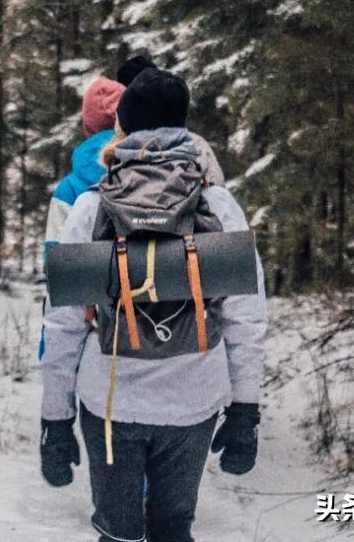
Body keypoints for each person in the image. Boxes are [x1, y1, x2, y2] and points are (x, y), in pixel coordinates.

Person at [39, 68, 267, 542]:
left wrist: (54, 420)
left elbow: (63, 326)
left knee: (118, 535)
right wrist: (245, 410)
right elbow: (245, 317)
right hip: (194, 400)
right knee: (172, 529)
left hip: (109, 401)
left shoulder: (91, 206)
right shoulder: (219, 205)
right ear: (185, 125)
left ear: (123, 125)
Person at [39, 56, 225, 360]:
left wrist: (56, 387)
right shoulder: (200, 159)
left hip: (107, 348)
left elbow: (60, 283)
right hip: (192, 344)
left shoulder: (80, 191)